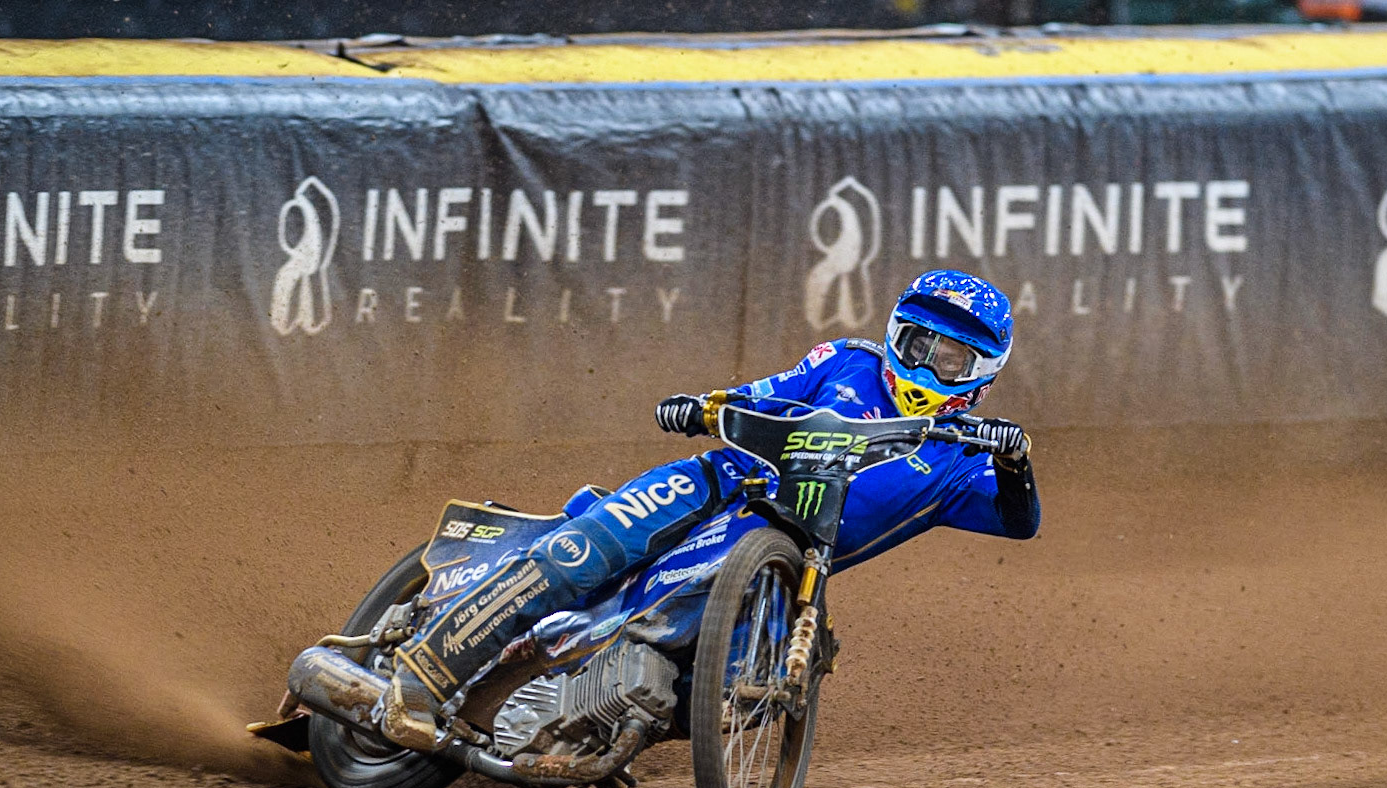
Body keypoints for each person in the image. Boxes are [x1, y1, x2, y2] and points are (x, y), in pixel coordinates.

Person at [381, 268, 1040, 748]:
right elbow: (760, 393)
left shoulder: (963, 459)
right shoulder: (846, 361)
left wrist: (1015, 463)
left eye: (949, 358)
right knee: (580, 553)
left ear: (981, 372)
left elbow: (1020, 521)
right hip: (717, 482)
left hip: (782, 562)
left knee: (737, 693)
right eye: (917, 344)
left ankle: (594, 720)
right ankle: (420, 678)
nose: (925, 364)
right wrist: (702, 407)